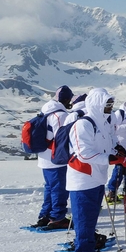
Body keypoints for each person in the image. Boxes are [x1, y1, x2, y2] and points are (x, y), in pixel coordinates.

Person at [64, 88, 117, 252]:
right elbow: (84, 154)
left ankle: (89, 251)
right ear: (97, 104)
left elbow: (108, 145)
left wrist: (118, 152)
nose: (110, 107)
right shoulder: (83, 124)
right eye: (107, 104)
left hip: (97, 178)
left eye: (111, 104)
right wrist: (110, 159)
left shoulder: (102, 123)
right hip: (82, 179)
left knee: (91, 219)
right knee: (84, 221)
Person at [33, 85, 73, 229]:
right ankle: (57, 217)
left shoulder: (45, 111)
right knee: (59, 188)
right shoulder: (61, 115)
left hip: (44, 156)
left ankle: (45, 215)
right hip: (56, 158)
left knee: (50, 188)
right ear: (66, 99)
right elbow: (62, 138)